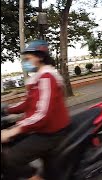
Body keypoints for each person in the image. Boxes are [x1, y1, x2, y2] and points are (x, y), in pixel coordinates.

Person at [1, 40, 70, 180]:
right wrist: (6, 109)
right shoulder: (38, 78)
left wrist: (15, 130)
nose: (25, 62)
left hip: (51, 133)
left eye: (28, 58)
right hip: (39, 128)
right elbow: (28, 103)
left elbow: (42, 113)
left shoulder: (47, 78)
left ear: (39, 57)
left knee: (10, 158)